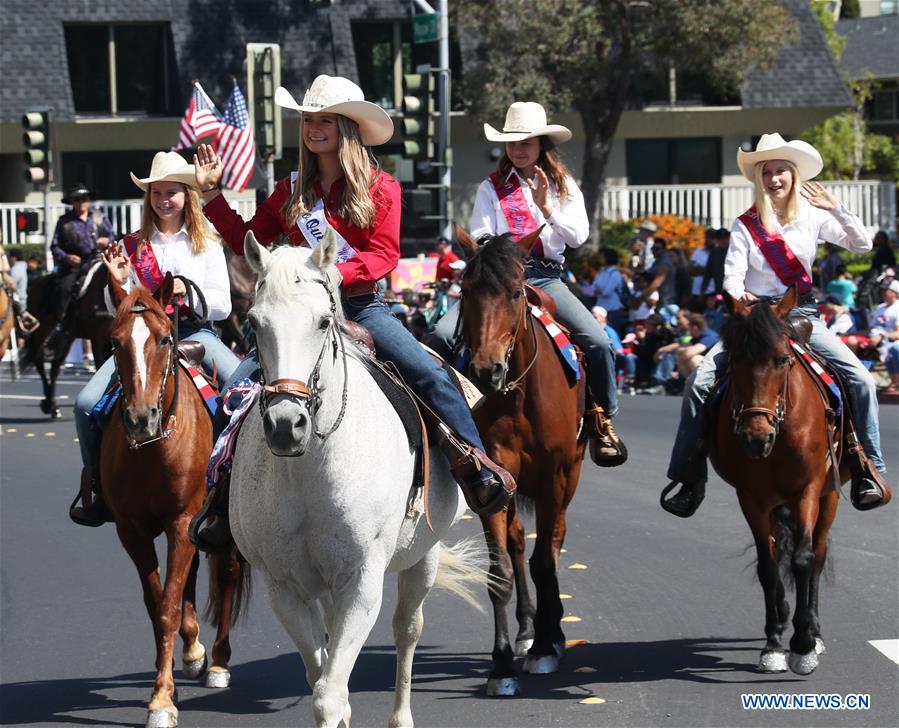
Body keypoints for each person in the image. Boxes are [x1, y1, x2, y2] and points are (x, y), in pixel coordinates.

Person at [190, 75, 516, 551]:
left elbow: (385, 254)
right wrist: (212, 196)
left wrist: (340, 273)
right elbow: (247, 243)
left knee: (428, 373)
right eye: (308, 120)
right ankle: (220, 498)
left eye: (324, 119)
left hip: (362, 305)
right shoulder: (290, 191)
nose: (314, 127)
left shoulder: (381, 188)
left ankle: (474, 465)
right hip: (300, 311)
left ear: (346, 127)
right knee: (238, 388)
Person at [661, 133, 891, 518]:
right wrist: (743, 297)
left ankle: (870, 467)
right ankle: (688, 473)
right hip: (755, 319)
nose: (774, 178)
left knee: (862, 380)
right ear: (759, 179)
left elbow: (862, 243)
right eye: (767, 172)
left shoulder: (814, 216)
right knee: (697, 381)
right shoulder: (745, 225)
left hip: (801, 316)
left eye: (781, 170)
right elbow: (731, 276)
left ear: (793, 175)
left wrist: (836, 208)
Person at [429, 101, 627, 467]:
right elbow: (482, 234)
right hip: (501, 278)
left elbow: (578, 237)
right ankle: (441, 422)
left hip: (546, 277)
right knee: (440, 336)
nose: (518, 149)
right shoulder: (492, 187)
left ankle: (603, 418)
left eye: (526, 142)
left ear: (541, 145)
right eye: (512, 143)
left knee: (598, 342)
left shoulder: (562, 185)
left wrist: (545, 207)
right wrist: (500, 254)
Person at [69, 152, 240, 527]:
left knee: (246, 390)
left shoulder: (207, 243)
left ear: (187, 195)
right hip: (142, 343)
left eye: (172, 192)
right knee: (84, 403)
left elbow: (223, 306)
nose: (163, 200)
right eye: (157, 193)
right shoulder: (132, 246)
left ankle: (238, 484)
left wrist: (186, 290)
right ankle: (97, 485)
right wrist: (116, 280)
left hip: (194, 334)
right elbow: (118, 312)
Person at [44, 184, 116, 358]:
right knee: (64, 287)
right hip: (75, 264)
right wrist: (67, 257)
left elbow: (114, 236)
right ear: (71, 202)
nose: (82, 202)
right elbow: (54, 246)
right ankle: (62, 325)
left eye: (84, 198)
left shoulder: (100, 217)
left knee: (119, 281)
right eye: (77, 199)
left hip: (99, 259)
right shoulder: (64, 221)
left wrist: (107, 240)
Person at [592, 247, 629, 336]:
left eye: (602, 257)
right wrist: (598, 291)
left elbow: (607, 292)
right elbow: (593, 287)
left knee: (613, 333)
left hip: (613, 309)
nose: (600, 259)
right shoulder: (601, 272)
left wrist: (599, 291)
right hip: (600, 308)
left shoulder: (615, 274)